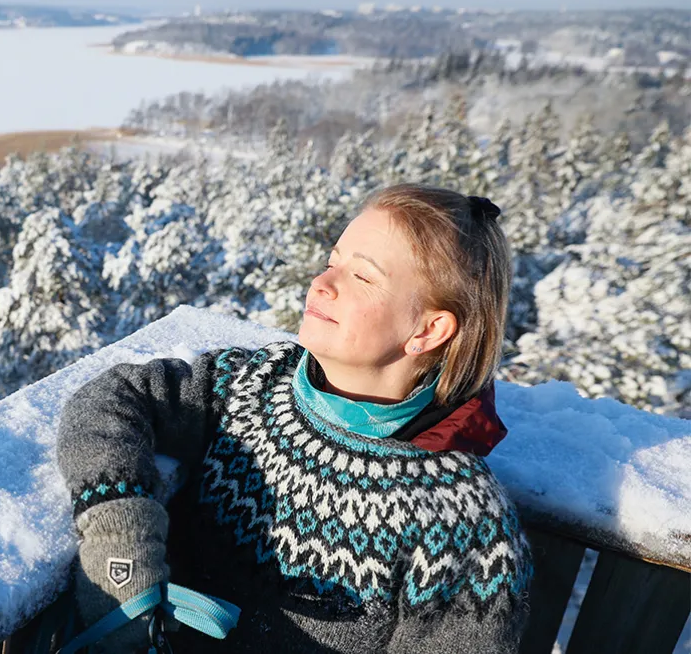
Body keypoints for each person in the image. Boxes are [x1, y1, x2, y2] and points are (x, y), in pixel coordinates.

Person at [56, 184, 533, 653]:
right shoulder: (254, 384)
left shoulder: (464, 529)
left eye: (362, 277)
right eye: (332, 262)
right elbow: (115, 397)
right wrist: (117, 536)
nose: (322, 284)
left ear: (428, 330)